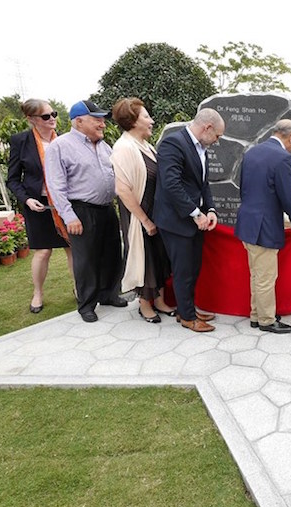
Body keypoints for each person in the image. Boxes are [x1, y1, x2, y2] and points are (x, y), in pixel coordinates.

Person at [45, 100, 126, 323]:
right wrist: (69, 215)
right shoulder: (60, 146)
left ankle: (109, 294)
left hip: (106, 208)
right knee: (86, 259)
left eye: (102, 119)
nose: (102, 124)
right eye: (97, 119)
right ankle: (87, 304)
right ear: (79, 121)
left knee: (111, 253)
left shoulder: (103, 145)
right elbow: (55, 185)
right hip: (81, 210)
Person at [235, 120, 291, 334]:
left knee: (256, 274)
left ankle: (256, 315)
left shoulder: (251, 153)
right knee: (266, 276)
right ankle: (267, 320)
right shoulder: (282, 158)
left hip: (247, 223)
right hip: (263, 227)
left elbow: (243, 189)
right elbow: (289, 198)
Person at [153, 108, 224, 333]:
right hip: (176, 221)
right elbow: (171, 184)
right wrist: (196, 213)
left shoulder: (202, 148)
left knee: (192, 268)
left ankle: (188, 308)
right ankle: (187, 317)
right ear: (207, 127)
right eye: (217, 136)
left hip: (195, 221)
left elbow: (203, 184)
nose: (217, 141)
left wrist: (210, 209)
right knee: (183, 270)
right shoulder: (173, 144)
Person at [110, 97, 175, 324]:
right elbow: (123, 189)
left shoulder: (145, 145)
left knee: (159, 256)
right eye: (147, 116)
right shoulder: (124, 147)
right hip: (139, 214)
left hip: (155, 211)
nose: (152, 120)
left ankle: (159, 301)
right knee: (144, 258)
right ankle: (145, 305)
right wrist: (145, 220)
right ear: (133, 121)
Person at [6, 99, 73, 314]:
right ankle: (38, 293)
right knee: (43, 252)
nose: (52, 118)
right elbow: (13, 179)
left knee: (72, 248)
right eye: (46, 116)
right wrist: (26, 199)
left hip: (64, 203)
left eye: (53, 114)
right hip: (38, 205)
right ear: (31, 119)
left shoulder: (64, 141)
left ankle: (80, 288)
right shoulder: (20, 141)